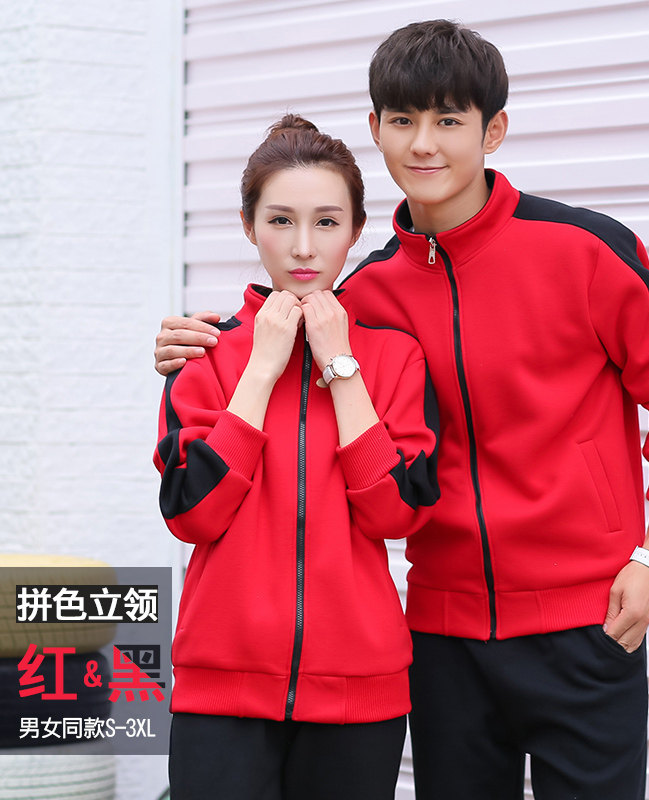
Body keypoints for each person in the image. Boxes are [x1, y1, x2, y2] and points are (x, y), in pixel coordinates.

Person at [155, 20, 649, 800]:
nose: (424, 144)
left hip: (587, 621)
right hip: (442, 636)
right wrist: (199, 339)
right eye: (403, 120)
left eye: (449, 120)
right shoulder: (366, 293)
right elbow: (288, 326)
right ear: (376, 127)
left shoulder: (587, 249)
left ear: (493, 130)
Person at [153, 114, 439, 800]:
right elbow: (193, 515)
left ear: (356, 230)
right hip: (220, 694)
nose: (304, 247)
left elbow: (395, 513)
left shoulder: (395, 357)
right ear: (249, 226)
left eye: (327, 222)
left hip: (359, 694)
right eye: (280, 221)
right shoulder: (204, 352)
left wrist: (340, 364)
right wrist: (261, 367)